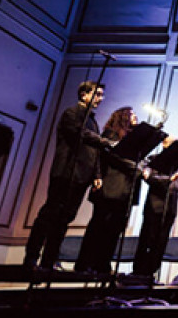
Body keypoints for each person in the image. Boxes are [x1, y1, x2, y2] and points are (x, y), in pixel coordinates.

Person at [24, 81, 113, 273]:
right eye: (97, 94)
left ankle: (50, 260)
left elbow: (94, 151)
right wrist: (106, 141)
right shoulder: (72, 113)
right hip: (65, 173)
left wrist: (97, 175)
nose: (101, 99)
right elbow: (82, 134)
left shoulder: (92, 120)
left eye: (101, 95)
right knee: (49, 215)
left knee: (65, 219)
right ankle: (31, 258)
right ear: (84, 95)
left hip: (82, 177)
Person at [75, 106, 165, 275]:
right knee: (99, 226)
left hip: (127, 190)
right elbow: (115, 157)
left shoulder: (135, 140)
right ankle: (84, 264)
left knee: (115, 229)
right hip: (110, 186)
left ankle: (103, 264)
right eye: (132, 114)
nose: (135, 116)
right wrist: (139, 169)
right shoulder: (111, 134)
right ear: (122, 117)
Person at [132, 156, 178, 280]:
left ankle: (152, 273)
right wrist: (170, 179)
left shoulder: (177, 164)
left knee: (161, 243)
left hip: (170, 209)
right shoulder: (155, 160)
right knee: (148, 240)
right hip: (154, 206)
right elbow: (150, 179)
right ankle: (139, 274)